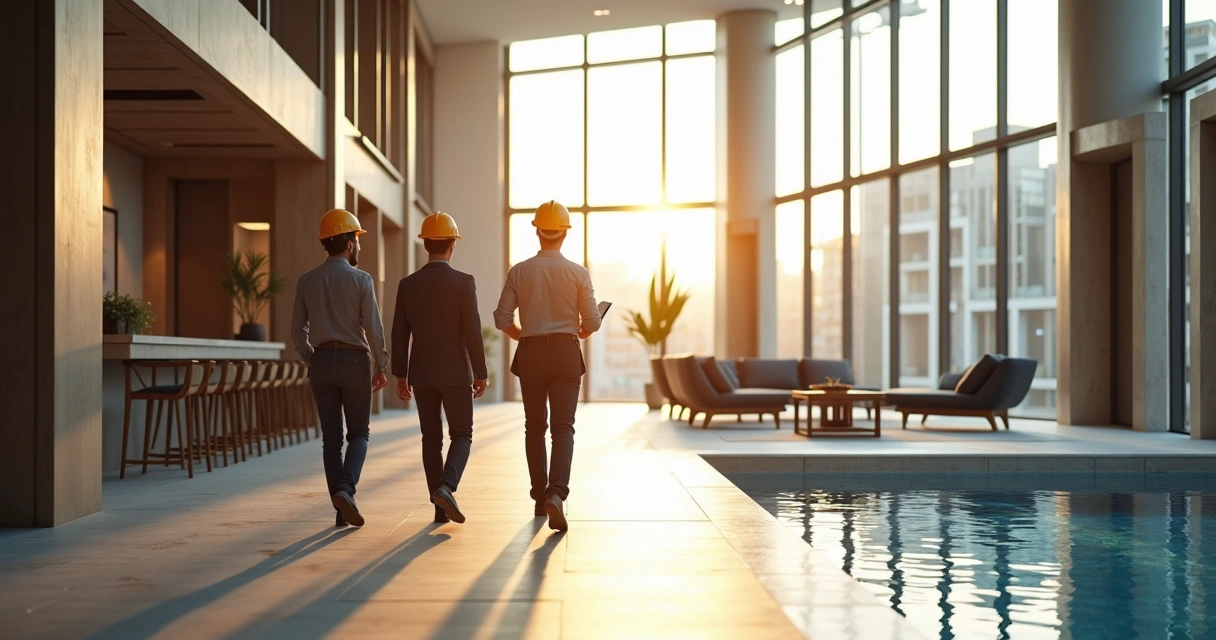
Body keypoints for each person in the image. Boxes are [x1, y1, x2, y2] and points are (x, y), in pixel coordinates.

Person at [493, 200, 601, 531]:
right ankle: (557, 494)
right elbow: (592, 322)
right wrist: (579, 330)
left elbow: (501, 319)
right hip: (567, 354)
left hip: (531, 353)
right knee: (563, 428)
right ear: (565, 233)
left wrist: (523, 335)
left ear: (537, 231)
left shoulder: (520, 271)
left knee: (534, 427)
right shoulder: (578, 272)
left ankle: (540, 496)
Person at [290, 209, 389, 528]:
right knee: (358, 432)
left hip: (321, 363)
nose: (359, 247)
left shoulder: (307, 280)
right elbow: (373, 329)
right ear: (348, 243)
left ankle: (340, 510)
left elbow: (296, 331)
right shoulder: (362, 280)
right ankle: (346, 491)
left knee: (331, 439)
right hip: (354, 362)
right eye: (357, 240)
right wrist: (382, 364)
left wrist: (311, 358)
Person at [391, 211, 488, 525]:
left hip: (422, 372)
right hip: (457, 373)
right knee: (462, 433)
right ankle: (447, 487)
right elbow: (472, 331)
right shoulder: (463, 283)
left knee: (430, 438)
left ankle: (438, 507)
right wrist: (481, 372)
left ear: (425, 245)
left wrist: (401, 375)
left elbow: (399, 332)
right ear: (453, 245)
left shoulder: (408, 284)